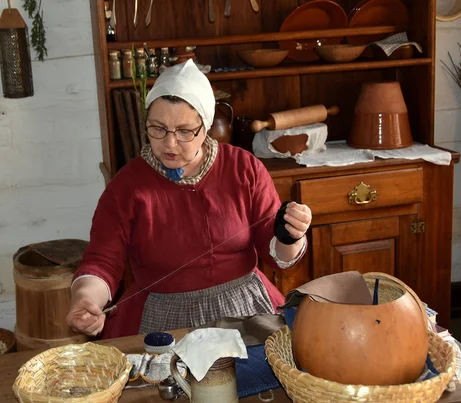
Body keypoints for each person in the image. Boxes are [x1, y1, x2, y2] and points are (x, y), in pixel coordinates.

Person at [67, 59, 312, 339]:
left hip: (245, 308)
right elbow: (102, 260)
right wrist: (87, 298)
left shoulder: (243, 168)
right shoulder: (127, 186)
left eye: (185, 131)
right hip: (162, 315)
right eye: (157, 128)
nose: (170, 144)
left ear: (205, 126)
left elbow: (277, 255)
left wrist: (291, 236)